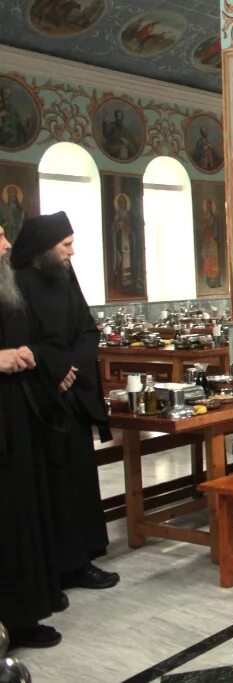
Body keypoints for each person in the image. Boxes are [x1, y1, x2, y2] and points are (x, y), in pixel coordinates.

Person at [12, 212, 120, 592]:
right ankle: (59, 563)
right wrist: (56, 367)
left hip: (72, 394)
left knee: (79, 479)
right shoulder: (16, 284)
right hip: (41, 399)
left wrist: (71, 365)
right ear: (44, 248)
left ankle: (82, 557)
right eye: (66, 245)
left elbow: (87, 328)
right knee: (52, 485)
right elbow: (23, 341)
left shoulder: (65, 277)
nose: (71, 253)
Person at [0, 223, 64, 650]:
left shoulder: (9, 288)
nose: (7, 244)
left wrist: (27, 354)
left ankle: (20, 617)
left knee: (19, 514)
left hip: (14, 417)